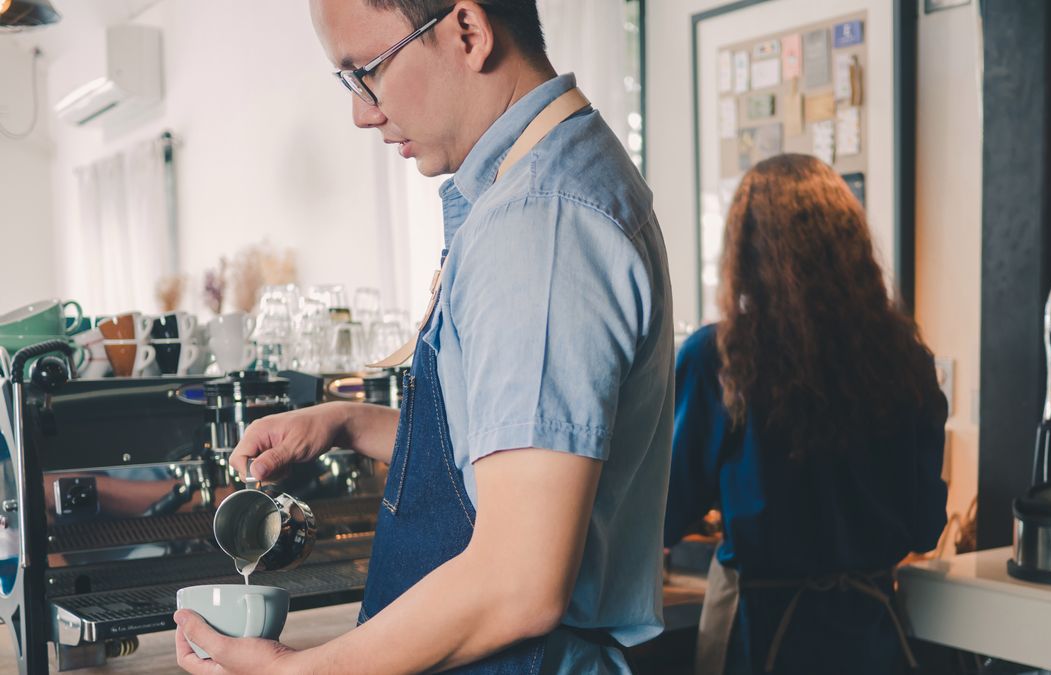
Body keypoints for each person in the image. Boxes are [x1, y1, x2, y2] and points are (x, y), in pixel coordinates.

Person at [173, 1, 674, 673]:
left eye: (367, 72)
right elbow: (506, 449)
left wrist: (295, 670)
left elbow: (516, 585)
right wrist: (349, 421)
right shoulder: (555, 179)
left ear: (468, 31)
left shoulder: (538, 223)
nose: (363, 112)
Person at [665, 154, 947, 674]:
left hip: (762, 637)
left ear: (746, 251)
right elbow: (926, 526)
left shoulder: (720, 356)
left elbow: (664, 509)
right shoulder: (905, 360)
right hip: (870, 638)